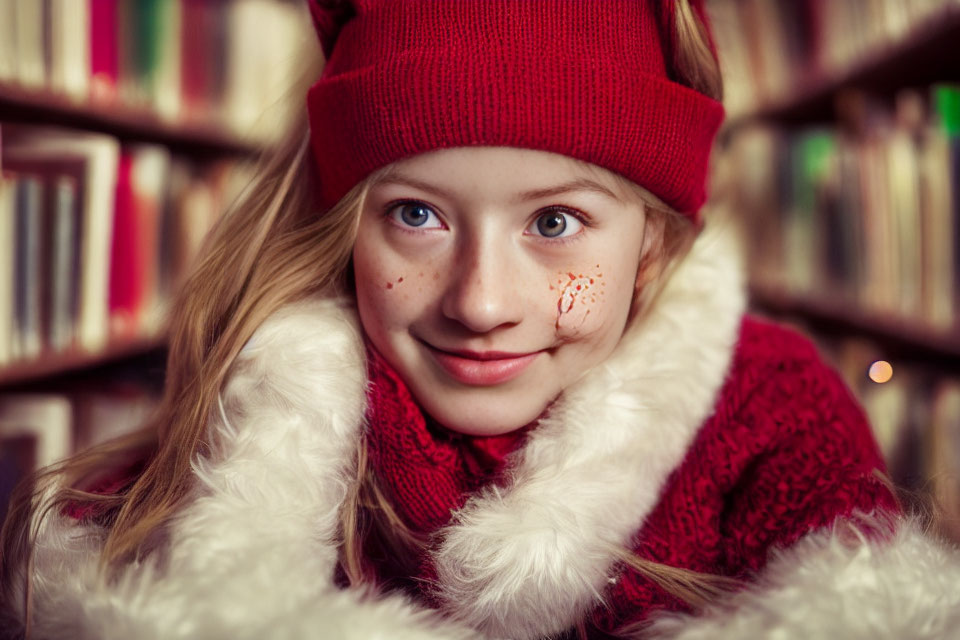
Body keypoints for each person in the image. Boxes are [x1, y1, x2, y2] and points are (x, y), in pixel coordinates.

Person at [2, 1, 959, 638]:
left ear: (652, 247)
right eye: (416, 217)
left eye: (555, 223)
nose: (482, 303)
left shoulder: (773, 415)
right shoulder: (251, 431)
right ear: (347, 231)